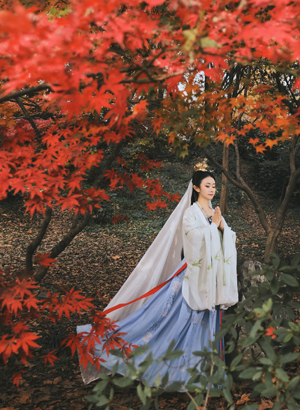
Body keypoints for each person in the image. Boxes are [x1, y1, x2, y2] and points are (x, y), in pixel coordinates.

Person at [77, 164, 238, 388]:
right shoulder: (191, 213)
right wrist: (214, 228)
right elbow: (191, 239)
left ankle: (202, 373)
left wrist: (220, 228)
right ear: (196, 188)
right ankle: (169, 368)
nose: (212, 189)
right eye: (207, 185)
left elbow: (229, 239)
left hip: (211, 277)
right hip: (192, 273)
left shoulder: (214, 212)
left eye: (213, 186)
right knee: (174, 320)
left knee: (203, 321)